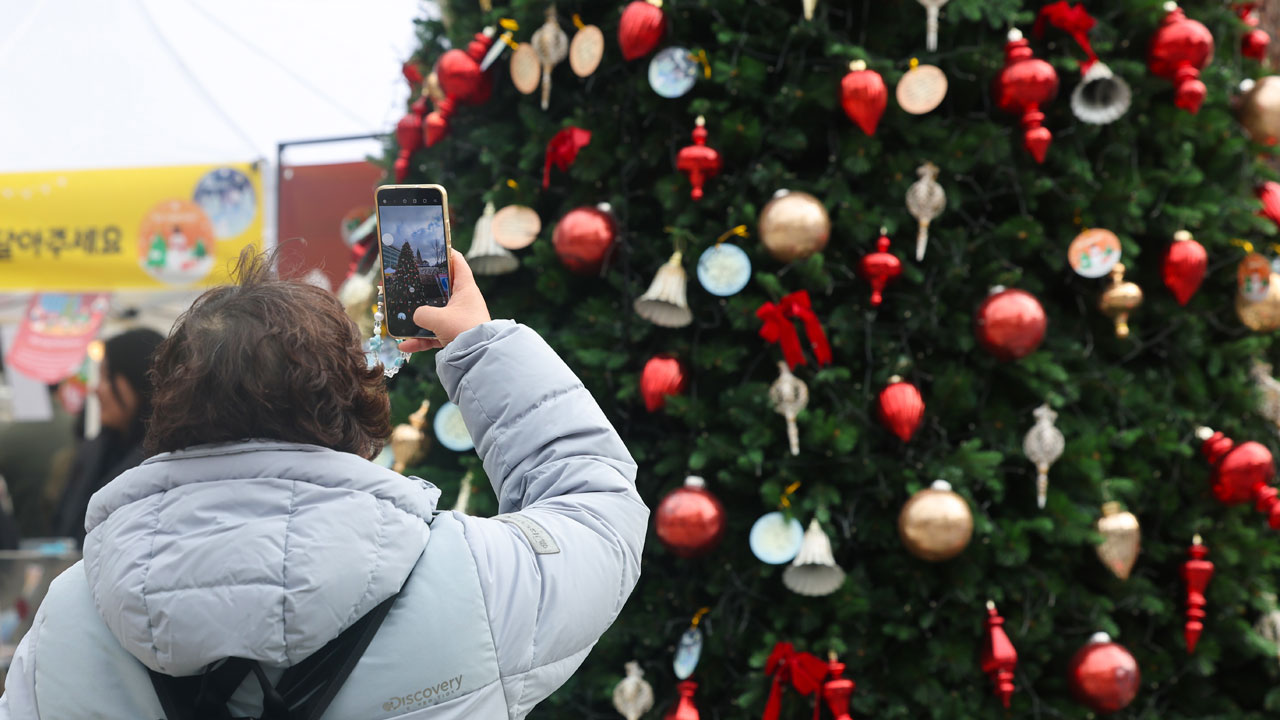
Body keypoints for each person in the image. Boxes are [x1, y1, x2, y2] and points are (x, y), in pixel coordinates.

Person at [0, 247, 647, 719]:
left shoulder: (71, 617)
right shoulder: (475, 580)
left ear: (168, 404)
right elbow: (599, 509)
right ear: (355, 402)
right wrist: (476, 345)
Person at [50, 327, 164, 545]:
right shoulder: (91, 452)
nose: (95, 390)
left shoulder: (162, 462)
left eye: (105, 376)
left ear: (137, 381)